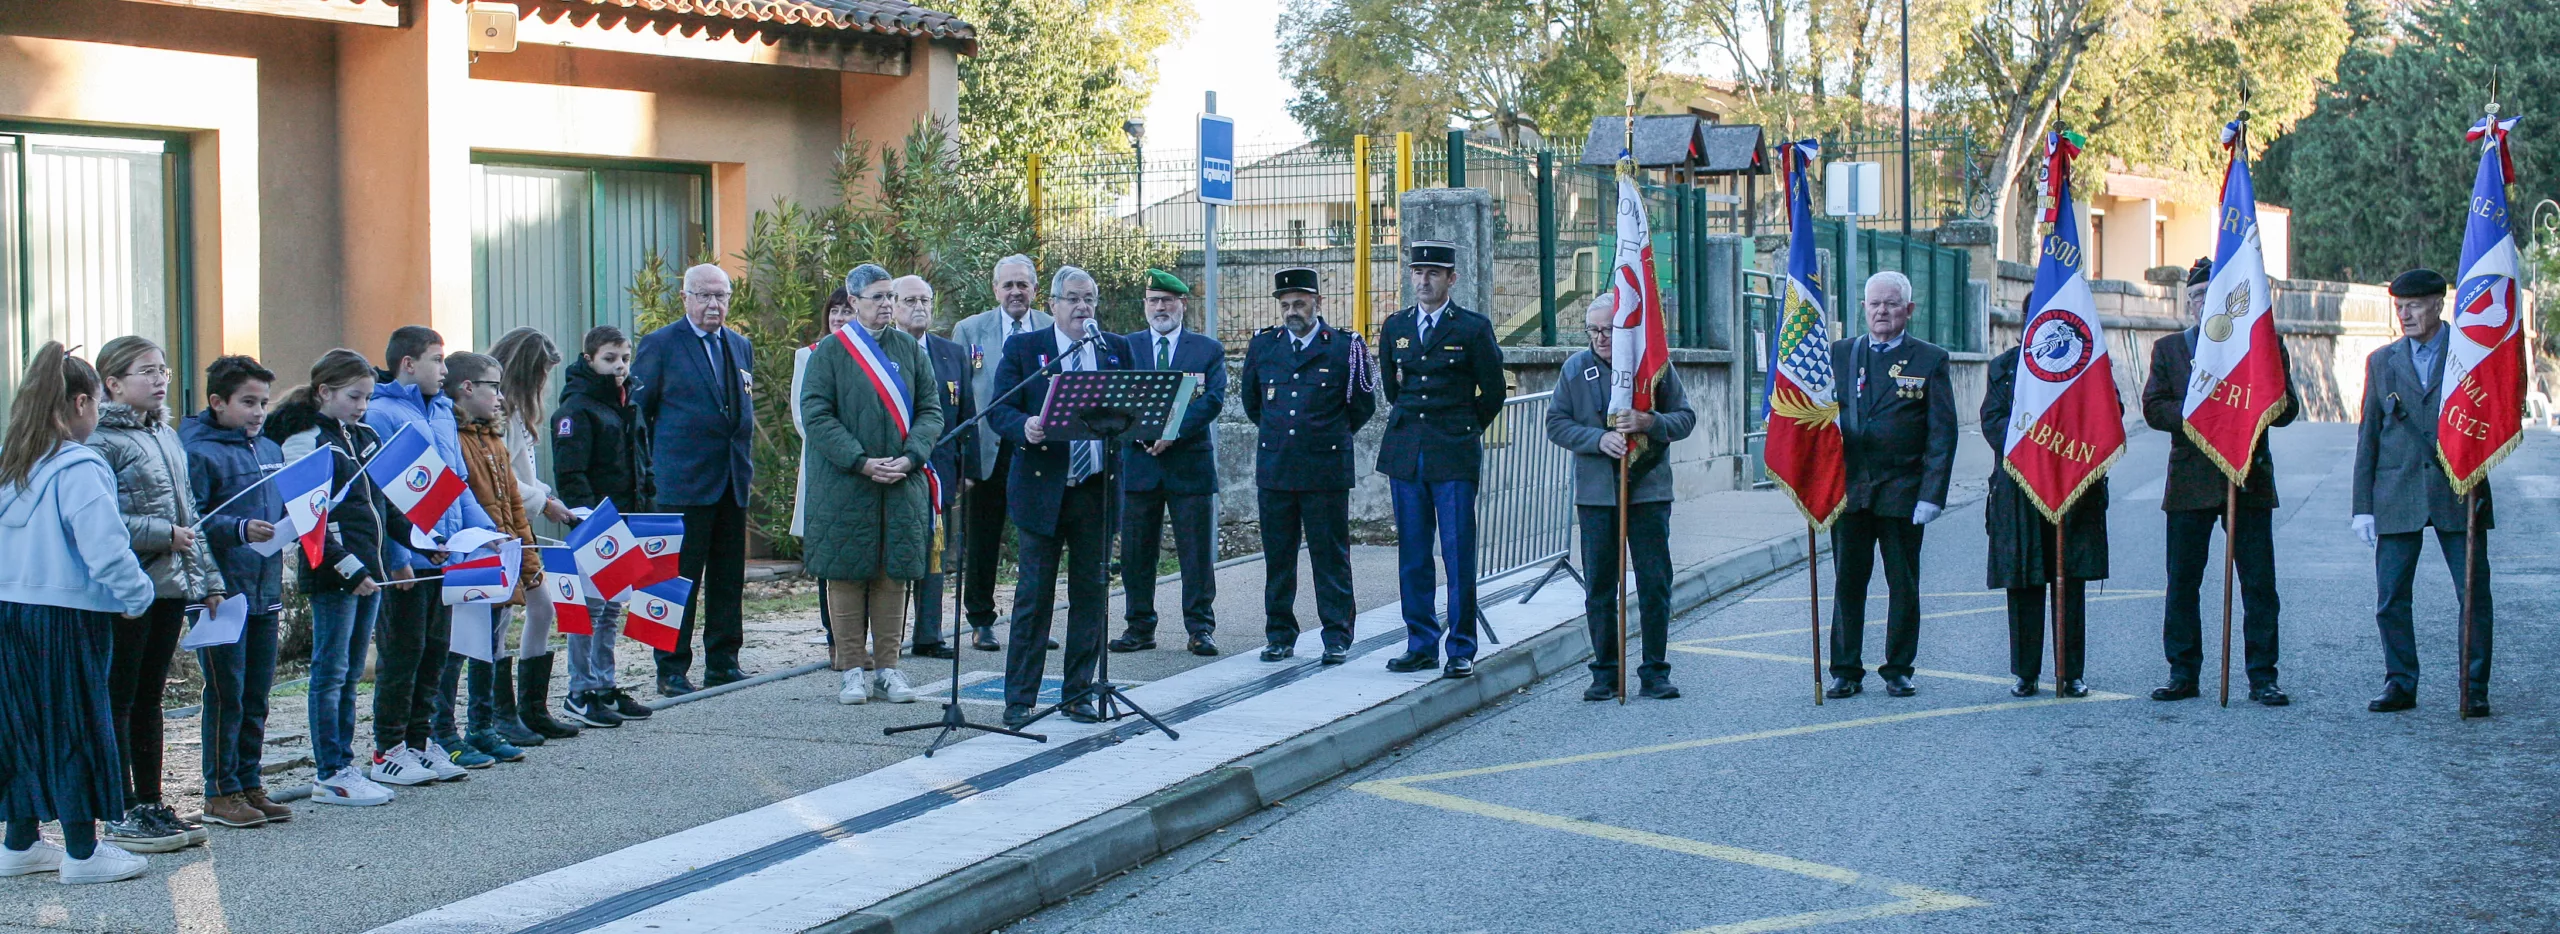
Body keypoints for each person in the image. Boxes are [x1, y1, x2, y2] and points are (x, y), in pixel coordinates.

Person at [0, 342, 159, 884]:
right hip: (68, 614)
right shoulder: (79, 464)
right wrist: (137, 596)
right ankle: (83, 852)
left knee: (20, 725)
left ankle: (19, 842)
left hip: (9, 609)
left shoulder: (12, 463)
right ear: (83, 403)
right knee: (77, 723)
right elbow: (106, 548)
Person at [2141, 258, 2300, 706]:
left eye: (2214, 294)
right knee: (2183, 582)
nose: (2205, 303)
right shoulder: (2171, 350)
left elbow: (2288, 411)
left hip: (2247, 478)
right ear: (2188, 304)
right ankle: (2182, 672)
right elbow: (2154, 408)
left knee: (2259, 584)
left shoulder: (2263, 345)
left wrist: (2257, 401)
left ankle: (2262, 676)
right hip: (2191, 482)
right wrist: (2202, 414)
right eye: (2197, 296)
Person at [88, 336, 224, 853]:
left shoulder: (165, 435)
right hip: (127, 587)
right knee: (119, 696)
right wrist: (159, 534)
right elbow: (101, 521)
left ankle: (150, 799)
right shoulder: (98, 440)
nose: (160, 378)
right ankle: (119, 806)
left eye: (163, 369)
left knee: (151, 698)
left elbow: (190, 513)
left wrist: (208, 579)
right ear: (113, 383)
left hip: (171, 586)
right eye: (146, 371)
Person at [987, 266, 1133, 727]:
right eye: (1072, 299)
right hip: (1042, 488)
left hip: (1095, 491)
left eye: (1089, 298)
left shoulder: (1115, 350)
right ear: (1052, 304)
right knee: (1035, 596)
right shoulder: (1027, 349)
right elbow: (999, 410)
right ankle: (1020, 698)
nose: (1082, 307)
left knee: (1091, 593)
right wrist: (1023, 427)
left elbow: (1132, 413)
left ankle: (1079, 693)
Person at [265, 349, 407, 806]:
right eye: (353, 397)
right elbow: (309, 519)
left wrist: (419, 544)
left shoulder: (363, 435)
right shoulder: (305, 439)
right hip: (334, 573)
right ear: (323, 391)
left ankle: (345, 764)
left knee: (349, 675)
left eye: (366, 397)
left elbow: (385, 502)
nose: (361, 407)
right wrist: (349, 568)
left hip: (370, 570)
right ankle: (331, 770)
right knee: (331, 672)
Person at [2353, 268, 2495, 717]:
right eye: (2399, 306)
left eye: (2414, 305)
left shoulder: (2471, 354)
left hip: (2460, 486)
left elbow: (2495, 419)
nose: (2405, 314)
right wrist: (2363, 507)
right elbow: (2368, 437)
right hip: (2397, 491)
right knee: (2391, 597)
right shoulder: (2382, 361)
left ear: (2439, 304)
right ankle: (2399, 682)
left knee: (2473, 593)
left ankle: (2472, 686)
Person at [801, 264, 944, 705]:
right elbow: (816, 414)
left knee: (892, 573)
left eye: (890, 297)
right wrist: (861, 461)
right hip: (846, 484)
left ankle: (888, 668)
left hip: (900, 481)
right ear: (855, 300)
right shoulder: (831, 352)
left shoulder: (910, 349)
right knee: (846, 574)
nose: (886, 305)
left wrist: (910, 456)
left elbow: (931, 411)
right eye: (878, 297)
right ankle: (850, 670)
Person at [1547, 294, 1698, 700]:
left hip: (1647, 491)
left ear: (1627, 329)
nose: (1600, 338)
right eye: (1593, 330)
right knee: (1599, 586)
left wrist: (1650, 421)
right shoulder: (1576, 369)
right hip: (1597, 496)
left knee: (1653, 582)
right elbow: (1556, 423)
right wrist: (1597, 439)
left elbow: (1685, 418)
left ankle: (1654, 671)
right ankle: (1605, 672)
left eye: (1608, 330)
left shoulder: (1655, 369)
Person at [367, 324, 497, 781]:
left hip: (448, 555)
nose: (445, 369)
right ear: (408, 364)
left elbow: (456, 485)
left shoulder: (442, 412)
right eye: (437, 360)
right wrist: (399, 550)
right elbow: (381, 494)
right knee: (403, 653)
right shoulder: (381, 413)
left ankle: (422, 743)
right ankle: (389, 748)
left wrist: (484, 531)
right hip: (410, 559)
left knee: (435, 652)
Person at [1375, 239, 1507, 679]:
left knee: (1456, 554)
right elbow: (1393, 391)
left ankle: (1462, 647)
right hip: (1406, 453)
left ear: (1451, 278)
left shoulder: (1471, 327)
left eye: (1433, 273)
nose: (1423, 280)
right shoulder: (1395, 326)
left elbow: (1493, 392)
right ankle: (1420, 643)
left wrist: (1463, 429)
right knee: (1413, 555)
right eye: (1417, 272)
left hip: (1453, 454)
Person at [1824, 271, 1957, 700]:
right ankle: (1846, 669)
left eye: (1891, 304)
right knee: (1848, 582)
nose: (1882, 312)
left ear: (1908, 310)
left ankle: (1898, 668)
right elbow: (1817, 419)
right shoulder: (1840, 354)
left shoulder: (1929, 359)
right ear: (1863, 308)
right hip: (1850, 488)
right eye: (1874, 304)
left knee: (1902, 584)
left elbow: (1941, 433)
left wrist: (1932, 495)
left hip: (1902, 490)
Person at [180, 355, 297, 827]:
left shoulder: (268, 447)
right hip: (220, 592)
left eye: (263, 403)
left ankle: (249, 782)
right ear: (216, 401)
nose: (257, 412)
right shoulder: (197, 452)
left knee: (256, 692)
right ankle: (219, 791)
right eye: (247, 402)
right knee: (226, 691)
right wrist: (241, 528)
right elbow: (194, 521)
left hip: (263, 585)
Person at [1241, 268, 1376, 665]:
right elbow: (1255, 404)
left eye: (1300, 303)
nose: (1292, 311)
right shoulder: (1264, 346)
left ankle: (1337, 635)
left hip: (1324, 469)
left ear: (1318, 303)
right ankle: (1280, 635)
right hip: (1277, 467)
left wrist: (1323, 435)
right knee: (1278, 558)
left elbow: (1361, 406)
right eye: (1285, 305)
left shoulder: (1344, 347)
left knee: (1329, 556)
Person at [634, 263, 757, 696]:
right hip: (680, 483)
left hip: (730, 478)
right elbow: (639, 416)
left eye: (721, 296)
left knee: (727, 577)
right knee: (675, 579)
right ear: (685, 298)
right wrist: (650, 476)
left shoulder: (739, 346)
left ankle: (724, 661)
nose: (713, 304)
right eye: (704, 295)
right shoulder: (661, 345)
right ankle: (670, 668)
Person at [1981, 296, 2111, 699]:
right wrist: (2036, 449)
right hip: (2019, 487)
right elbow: (1993, 421)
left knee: (2068, 581)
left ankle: (2070, 672)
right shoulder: (2004, 366)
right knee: (2023, 581)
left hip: (2072, 484)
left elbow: (2107, 416)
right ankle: (2026, 672)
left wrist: (2062, 453)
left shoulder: (2087, 364)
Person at [1110, 269, 1228, 658]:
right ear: (1145, 305)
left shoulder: (1206, 349)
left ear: (1182, 304)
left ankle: (1200, 629)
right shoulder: (1126, 347)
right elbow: (1115, 398)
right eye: (1153, 300)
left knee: (1195, 553)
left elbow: (1211, 400)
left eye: (1168, 300)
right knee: (1136, 553)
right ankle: (1139, 626)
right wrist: (1144, 433)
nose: (1160, 307)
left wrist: (1172, 431)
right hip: (1139, 462)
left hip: (1188, 464)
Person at [950, 254, 1053, 651]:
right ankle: (981, 620)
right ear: (995, 289)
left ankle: (1035, 622)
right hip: (988, 450)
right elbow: (957, 396)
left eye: (1022, 285)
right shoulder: (969, 330)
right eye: (1007, 285)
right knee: (982, 539)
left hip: (1039, 447)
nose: (1015, 292)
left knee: (1040, 539)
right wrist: (963, 457)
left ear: (1034, 289)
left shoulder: (1050, 326)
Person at [444, 351, 544, 762]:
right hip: (471, 560)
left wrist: (528, 560)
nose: (500, 397)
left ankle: (482, 726)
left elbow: (514, 508)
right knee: (458, 648)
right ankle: (444, 730)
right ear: (467, 388)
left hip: (502, 557)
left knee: (490, 644)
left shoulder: (494, 439)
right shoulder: (454, 438)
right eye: (493, 387)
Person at [553, 327, 654, 728]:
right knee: (590, 609)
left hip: (629, 516)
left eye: (625, 358)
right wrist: (592, 521)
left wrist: (646, 507)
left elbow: (642, 461)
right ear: (590, 358)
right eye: (610, 358)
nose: (619, 366)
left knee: (611, 608)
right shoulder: (577, 409)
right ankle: (580, 691)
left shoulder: (628, 401)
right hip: (597, 522)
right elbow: (572, 474)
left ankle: (604, 683)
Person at [488, 327, 583, 739]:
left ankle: (531, 708)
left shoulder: (519, 416)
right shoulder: (502, 413)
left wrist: (544, 496)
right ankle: (502, 713)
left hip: (520, 520)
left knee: (541, 608)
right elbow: (505, 476)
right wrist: (544, 501)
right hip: (504, 525)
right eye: (543, 374)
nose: (546, 383)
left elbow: (523, 473)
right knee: (503, 616)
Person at [894, 274, 974, 660]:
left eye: (925, 299)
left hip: (940, 469)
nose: (920, 307)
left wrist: (967, 468)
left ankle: (929, 634)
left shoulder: (950, 353)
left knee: (934, 552)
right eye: (910, 300)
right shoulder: (882, 351)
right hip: (894, 468)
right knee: (896, 553)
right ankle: (889, 636)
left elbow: (967, 414)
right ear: (892, 306)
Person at [794, 283, 868, 655]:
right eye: (834, 311)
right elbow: (804, 420)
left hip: (871, 470)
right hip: (828, 471)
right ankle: (835, 639)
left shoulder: (876, 356)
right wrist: (851, 451)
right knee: (831, 556)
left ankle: (866, 639)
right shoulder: (808, 356)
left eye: (847, 310)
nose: (839, 317)